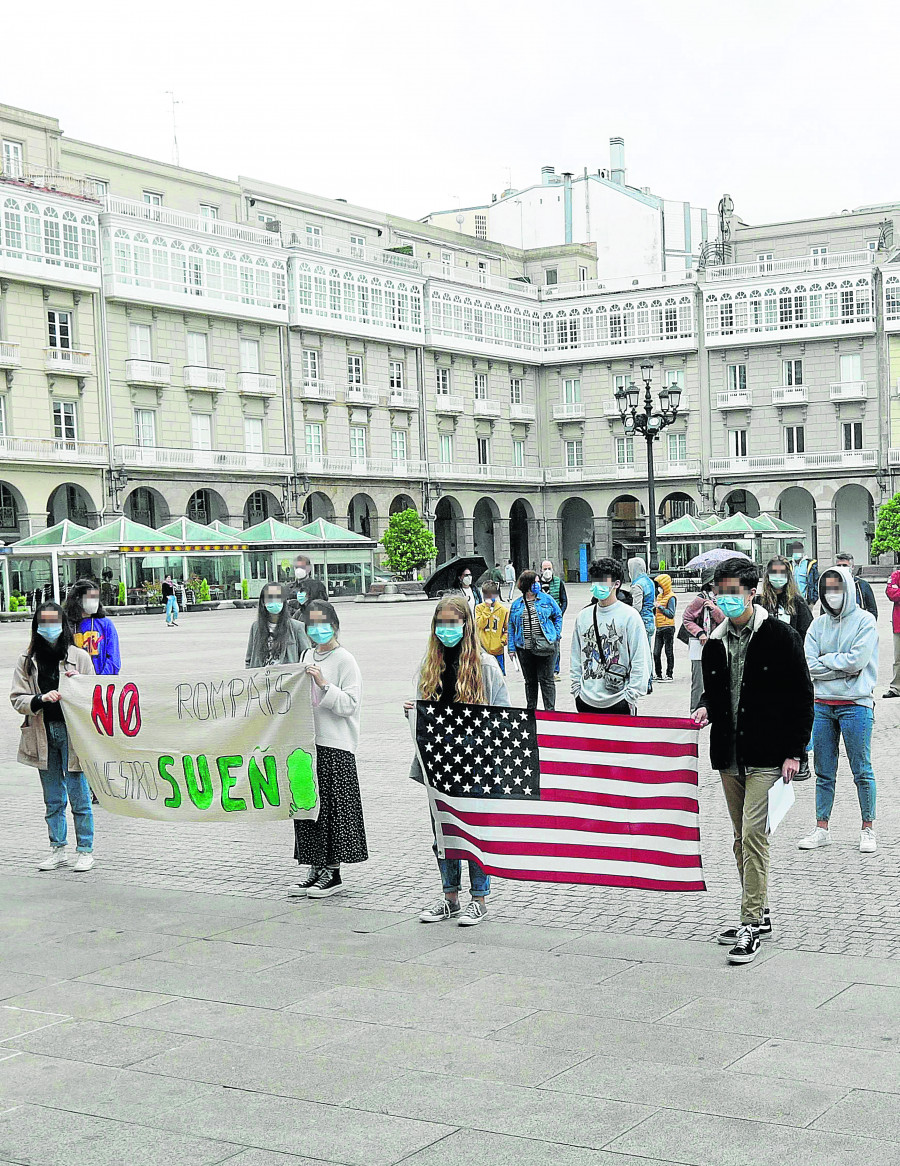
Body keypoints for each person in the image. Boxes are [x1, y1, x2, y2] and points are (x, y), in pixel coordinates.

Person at [692, 558, 813, 965]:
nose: (724, 599)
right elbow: (714, 691)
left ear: (750, 592)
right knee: (740, 839)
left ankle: (748, 922)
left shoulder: (780, 636)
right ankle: (759, 913)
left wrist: (795, 751)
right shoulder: (714, 643)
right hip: (729, 753)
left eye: (732, 591)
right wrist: (707, 707)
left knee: (754, 835)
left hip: (768, 753)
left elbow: (802, 695)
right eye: (718, 592)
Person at [406, 595, 510, 926]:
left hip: (475, 764)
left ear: (466, 624)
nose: (446, 629)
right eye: (441, 623)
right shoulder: (431, 664)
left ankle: (478, 899)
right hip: (439, 761)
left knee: (474, 832)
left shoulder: (485, 665)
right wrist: (415, 711)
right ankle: (449, 896)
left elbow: (504, 716)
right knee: (444, 831)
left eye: (452, 622)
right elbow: (427, 707)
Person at [10, 602, 97, 872]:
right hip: (42, 733)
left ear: (64, 625)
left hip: (72, 735)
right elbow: (17, 698)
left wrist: (79, 681)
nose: (50, 628)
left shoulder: (78, 656)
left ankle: (85, 850)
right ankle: (58, 848)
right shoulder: (27, 660)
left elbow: (95, 697)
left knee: (79, 796)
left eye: (55, 622)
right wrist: (39, 698)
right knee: (53, 798)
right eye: (44, 623)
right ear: (36, 626)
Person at [798, 565, 879, 854]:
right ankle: (822, 827)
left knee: (862, 769)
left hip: (856, 705)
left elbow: (858, 662)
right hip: (822, 706)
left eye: (837, 588)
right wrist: (839, 667)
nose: (832, 594)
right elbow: (809, 664)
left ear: (847, 589)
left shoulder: (865, 621)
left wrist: (827, 663)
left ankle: (867, 827)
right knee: (824, 771)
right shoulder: (817, 626)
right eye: (827, 589)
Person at [291, 600, 366, 898]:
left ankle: (332, 871)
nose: (318, 630)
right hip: (307, 744)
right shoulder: (306, 654)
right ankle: (313, 865)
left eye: (323, 624)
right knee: (309, 807)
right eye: (312, 625)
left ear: (335, 625)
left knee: (333, 809)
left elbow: (350, 704)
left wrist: (324, 684)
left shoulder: (345, 660)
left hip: (335, 745)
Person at [570, 558, 651, 715]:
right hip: (586, 700)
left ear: (617, 584)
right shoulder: (583, 616)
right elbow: (575, 655)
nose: (598, 586)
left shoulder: (630, 616)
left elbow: (640, 658)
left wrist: (631, 696)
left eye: (603, 582)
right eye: (595, 582)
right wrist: (576, 690)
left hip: (619, 700)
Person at [508, 569, 562, 710]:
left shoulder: (546, 599)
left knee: (547, 680)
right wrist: (511, 648)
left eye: (538, 582)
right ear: (526, 584)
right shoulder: (516, 605)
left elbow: (558, 615)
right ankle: (531, 711)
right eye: (534, 582)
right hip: (524, 648)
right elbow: (511, 627)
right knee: (530, 682)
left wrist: (556, 635)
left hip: (547, 646)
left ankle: (550, 712)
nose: (537, 585)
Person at [682, 569, 724, 713]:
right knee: (698, 681)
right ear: (711, 582)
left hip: (719, 643)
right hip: (700, 645)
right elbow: (686, 619)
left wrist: (714, 609)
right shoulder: (700, 599)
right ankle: (695, 710)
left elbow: (725, 620)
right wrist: (699, 633)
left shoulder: (724, 598)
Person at [245, 582, 310, 667]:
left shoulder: (296, 627)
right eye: (270, 598)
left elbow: (306, 657)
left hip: (287, 677)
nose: (274, 601)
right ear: (263, 602)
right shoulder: (256, 627)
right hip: (262, 678)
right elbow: (249, 659)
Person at [65, 579, 121, 676]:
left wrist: (99, 680)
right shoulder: (66, 624)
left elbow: (113, 659)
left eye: (96, 598)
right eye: (91, 598)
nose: (94, 602)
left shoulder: (106, 624)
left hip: (101, 684)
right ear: (78, 599)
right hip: (74, 682)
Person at [754, 556, 812, 636]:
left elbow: (807, 632)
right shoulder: (759, 602)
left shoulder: (798, 602)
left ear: (788, 575)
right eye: (774, 572)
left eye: (781, 572)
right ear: (768, 575)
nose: (778, 576)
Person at [540, 560, 569, 676]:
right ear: (541, 570)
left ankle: (555, 670)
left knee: (556, 643)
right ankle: (543, 669)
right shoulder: (537, 583)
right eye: (545, 569)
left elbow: (564, 600)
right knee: (541, 643)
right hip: (541, 619)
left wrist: (559, 614)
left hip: (555, 619)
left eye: (549, 568)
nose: (547, 571)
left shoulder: (558, 582)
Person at [475, 581, 509, 674]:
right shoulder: (479, 608)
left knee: (499, 674)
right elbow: (480, 624)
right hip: (483, 650)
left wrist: (502, 641)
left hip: (497, 650)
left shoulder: (503, 610)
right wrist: (486, 609)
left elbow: (507, 629)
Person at [835, 551, 878, 618]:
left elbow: (872, 609)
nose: (841, 567)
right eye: (839, 565)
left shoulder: (862, 585)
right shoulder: (832, 585)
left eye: (845, 565)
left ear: (852, 567)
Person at [652, 572, 677, 682]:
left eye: (660, 585)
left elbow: (671, 613)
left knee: (668, 651)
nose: (659, 588)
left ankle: (669, 674)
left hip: (668, 627)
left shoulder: (671, 597)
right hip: (659, 627)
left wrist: (660, 607)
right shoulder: (659, 596)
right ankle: (658, 674)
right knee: (656, 653)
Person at [288, 554, 328, 619]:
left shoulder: (318, 586)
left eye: (302, 567)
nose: (299, 570)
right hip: (293, 624)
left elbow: (323, 607)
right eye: (297, 567)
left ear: (309, 568)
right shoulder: (289, 588)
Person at [788, 541, 819, 606]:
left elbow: (816, 582)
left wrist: (813, 599)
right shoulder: (789, 565)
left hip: (807, 601)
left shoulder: (810, 565)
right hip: (792, 600)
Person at [886, 566, 900, 699]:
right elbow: (891, 593)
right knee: (898, 658)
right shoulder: (896, 575)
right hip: (899, 624)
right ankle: (896, 688)